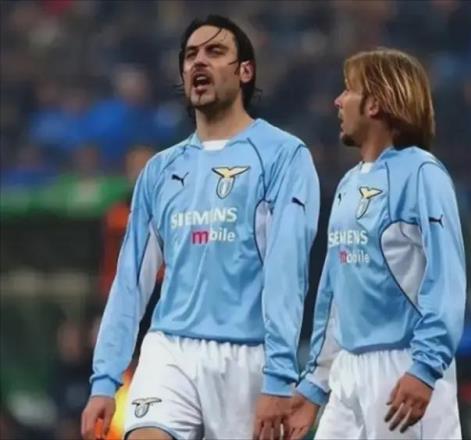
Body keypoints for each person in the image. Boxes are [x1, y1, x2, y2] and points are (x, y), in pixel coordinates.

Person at [81, 15, 320, 440]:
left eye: (215, 51)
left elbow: (288, 272)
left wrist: (280, 375)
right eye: (190, 55)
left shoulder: (284, 156)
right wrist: (105, 378)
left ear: (245, 71)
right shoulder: (161, 169)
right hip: (169, 348)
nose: (199, 62)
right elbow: (130, 280)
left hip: (250, 356)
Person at [287, 48, 466, 439]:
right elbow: (333, 292)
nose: (338, 101)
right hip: (347, 370)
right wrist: (316, 381)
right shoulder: (349, 183)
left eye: (348, 90)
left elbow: (447, 280)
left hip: (404, 367)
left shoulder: (423, 174)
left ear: (375, 104)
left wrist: (425, 367)